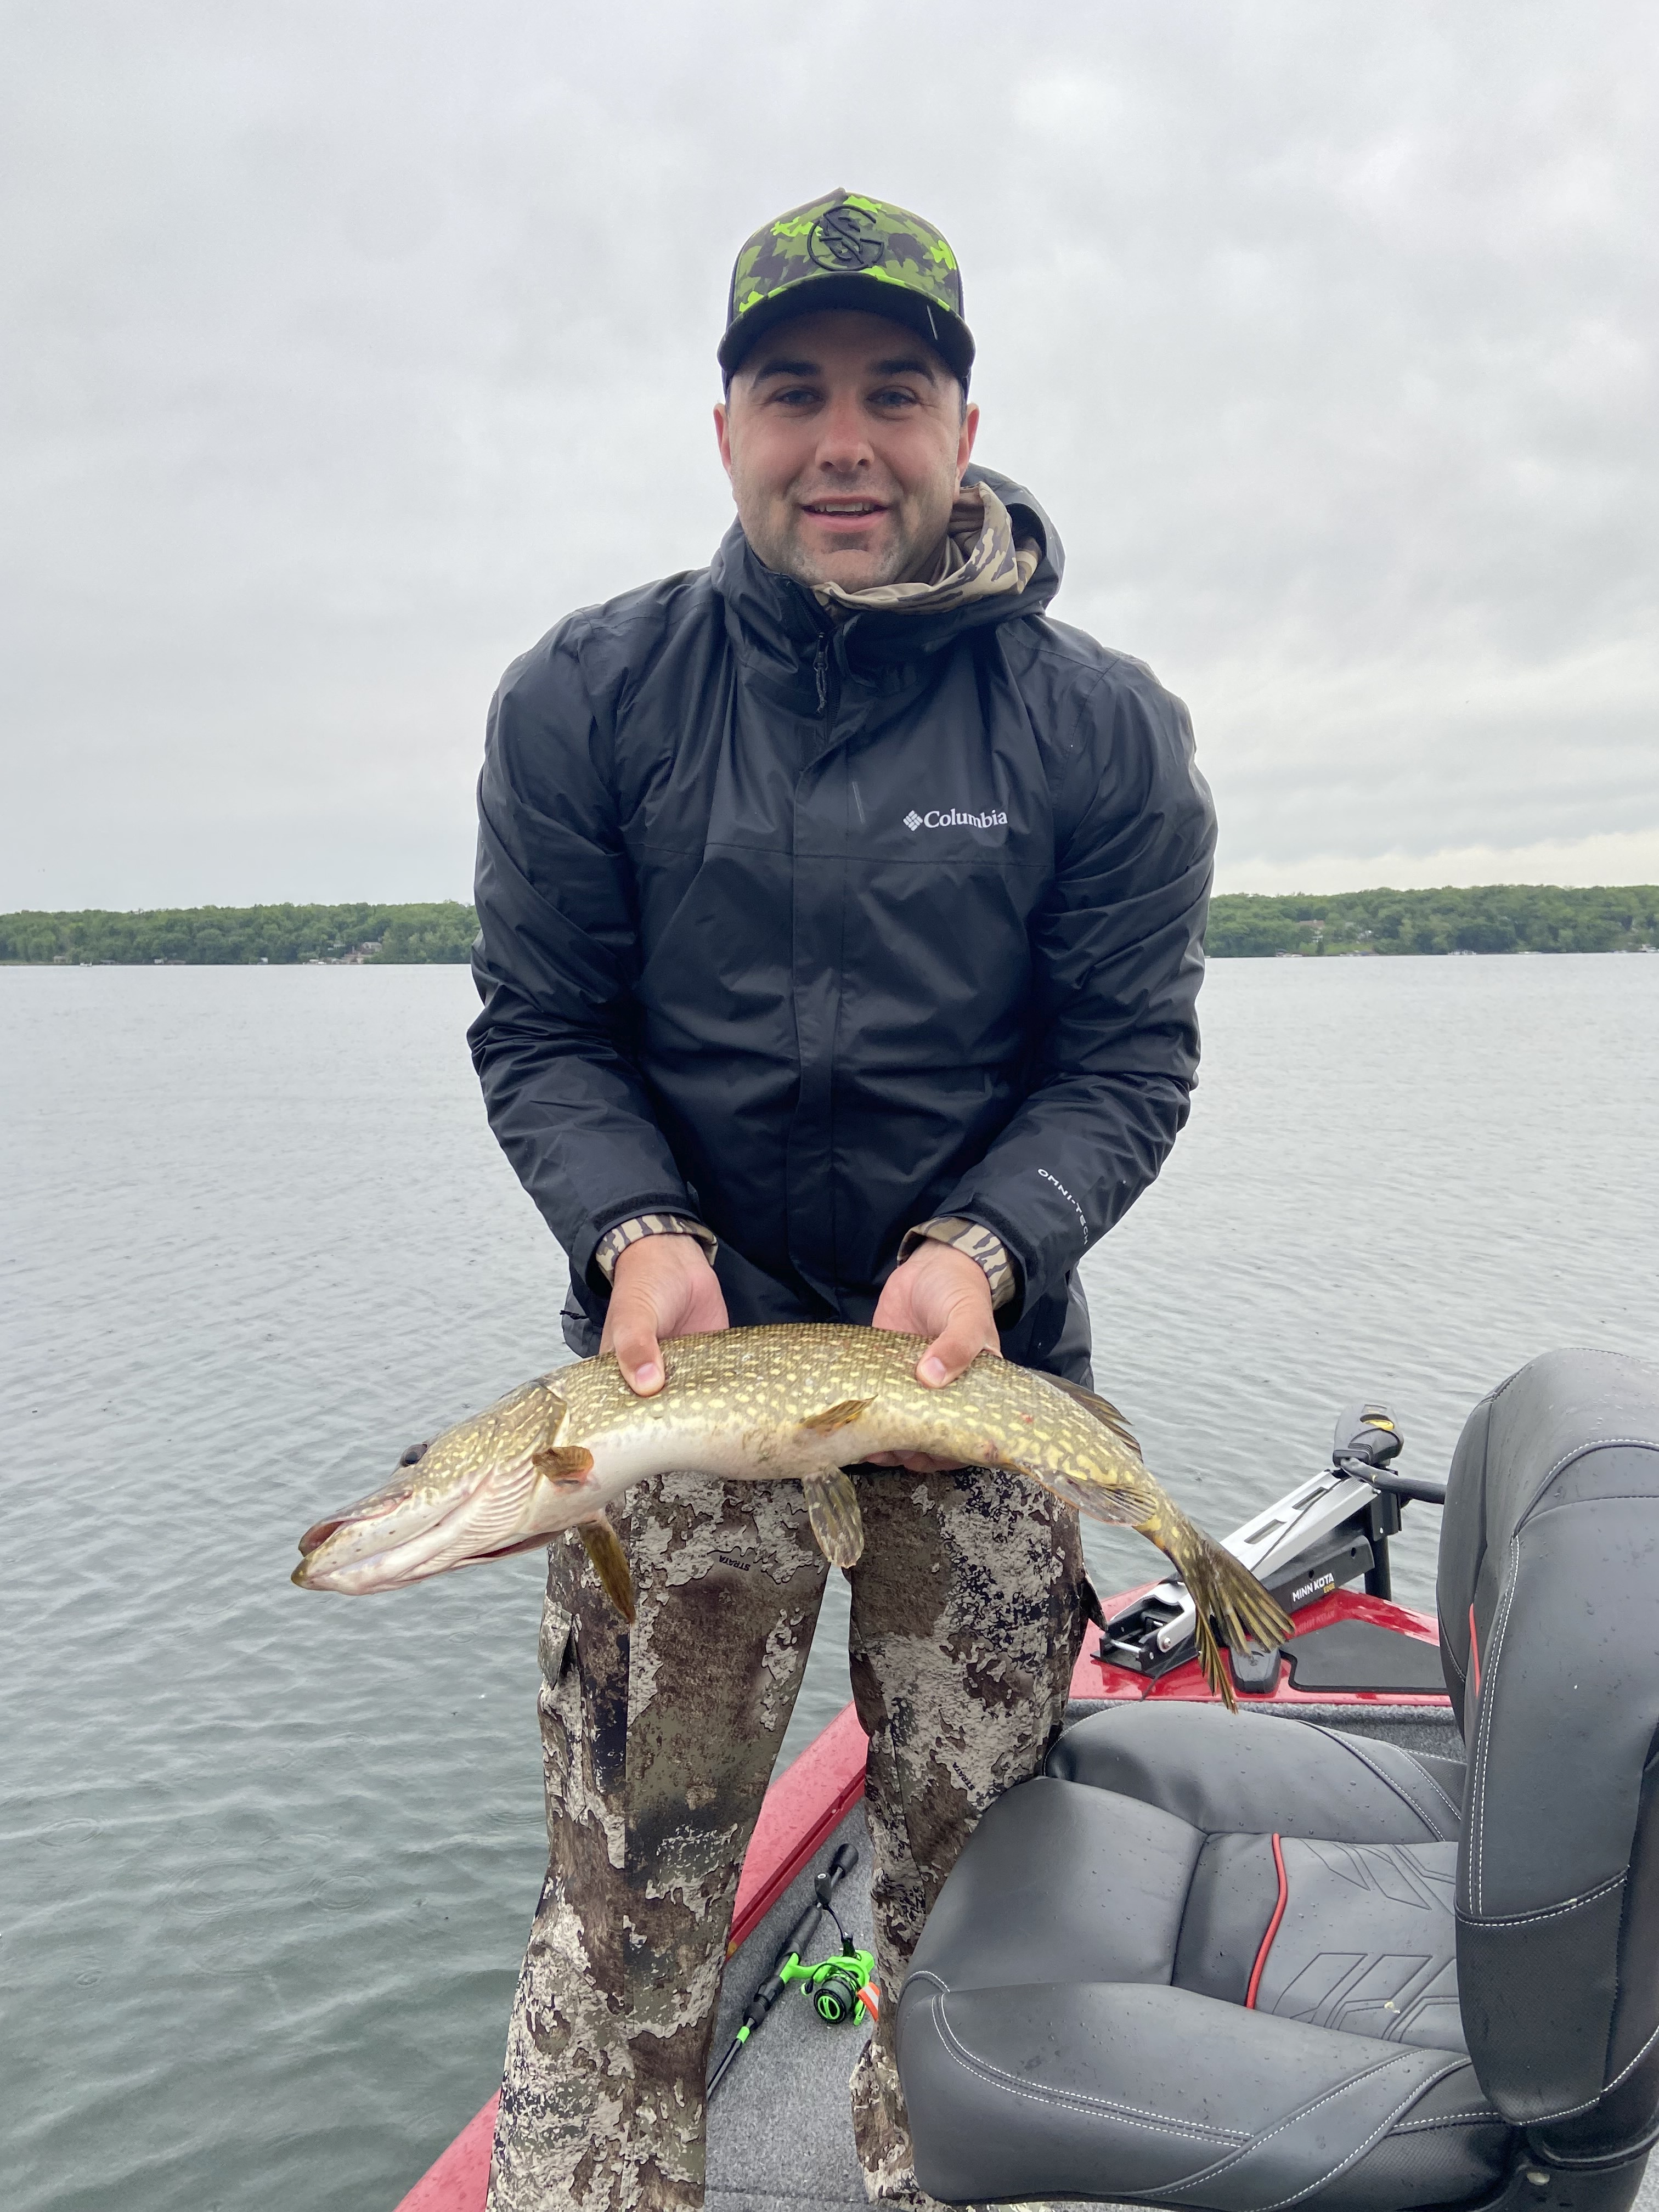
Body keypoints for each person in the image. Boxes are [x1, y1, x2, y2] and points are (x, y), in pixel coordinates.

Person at [467, 188, 1216, 2212]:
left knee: (980, 1902)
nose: (845, 444)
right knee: (631, 1898)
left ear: (967, 425)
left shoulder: (1100, 729)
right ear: (726, 427)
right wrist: (639, 1229)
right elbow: (543, 1026)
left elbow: (1126, 1057)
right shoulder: (586, 698)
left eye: (896, 392)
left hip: (975, 1387)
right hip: (676, 1390)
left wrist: (984, 1247)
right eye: (794, 392)